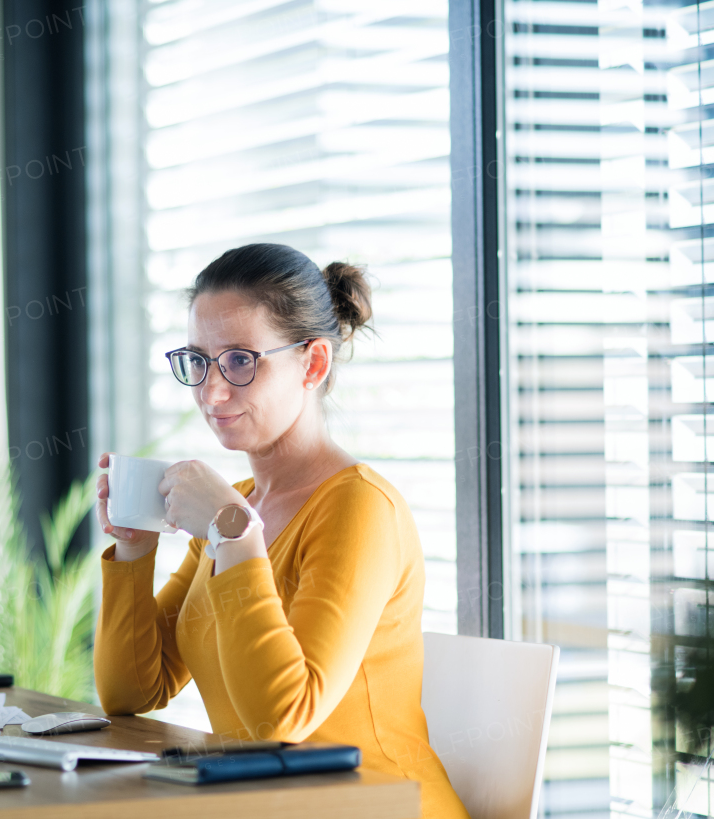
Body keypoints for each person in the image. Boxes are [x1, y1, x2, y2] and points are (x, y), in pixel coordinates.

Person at [93, 243, 469, 819]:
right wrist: (135, 549)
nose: (211, 392)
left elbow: (286, 717)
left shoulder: (357, 509)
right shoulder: (237, 509)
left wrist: (233, 534)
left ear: (312, 365)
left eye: (241, 360)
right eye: (198, 360)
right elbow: (131, 694)